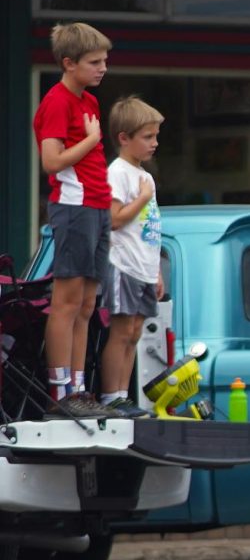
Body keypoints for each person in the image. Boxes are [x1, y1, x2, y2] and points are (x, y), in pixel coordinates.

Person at [33, 22, 113, 417]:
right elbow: (50, 161)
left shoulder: (89, 102)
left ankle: (80, 389)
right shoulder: (57, 101)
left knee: (86, 304)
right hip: (74, 205)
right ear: (68, 63)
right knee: (65, 302)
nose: (103, 68)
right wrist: (90, 142)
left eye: (105, 61)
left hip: (99, 205)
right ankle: (60, 392)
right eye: (94, 62)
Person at [100, 95, 163, 417]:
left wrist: (157, 272)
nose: (154, 143)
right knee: (122, 330)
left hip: (144, 266)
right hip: (123, 264)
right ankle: (112, 396)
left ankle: (124, 395)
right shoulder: (118, 172)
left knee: (136, 332)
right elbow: (114, 218)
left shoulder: (145, 176)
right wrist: (141, 198)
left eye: (155, 136)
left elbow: (148, 228)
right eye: (147, 137)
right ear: (124, 138)